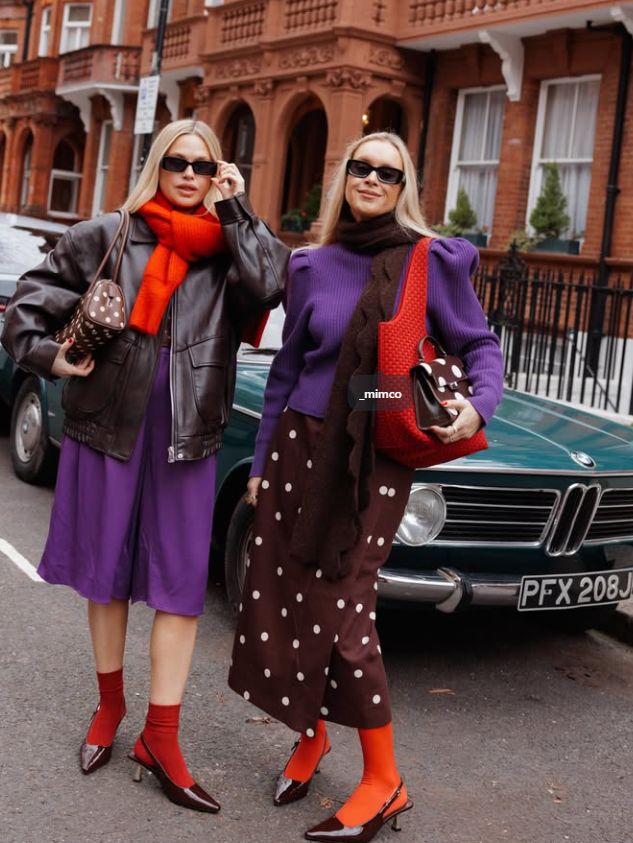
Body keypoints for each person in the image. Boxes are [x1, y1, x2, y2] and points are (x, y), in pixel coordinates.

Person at [2, 119, 288, 812]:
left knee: (179, 586)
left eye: (203, 165)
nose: (188, 174)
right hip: (106, 427)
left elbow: (271, 284)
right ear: (156, 166)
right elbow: (26, 307)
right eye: (176, 162)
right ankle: (110, 706)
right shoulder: (108, 234)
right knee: (105, 575)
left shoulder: (230, 249)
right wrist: (53, 358)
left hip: (188, 436)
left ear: (218, 174)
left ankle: (161, 736)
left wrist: (237, 207)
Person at [228, 131, 504, 842]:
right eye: (361, 167)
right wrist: (258, 465)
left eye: (388, 171)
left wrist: (479, 404)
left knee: (343, 609)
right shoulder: (311, 265)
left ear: (403, 185)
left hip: (371, 459)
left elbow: (479, 344)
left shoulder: (427, 260)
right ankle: (311, 734)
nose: (372, 179)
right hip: (297, 447)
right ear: (344, 177)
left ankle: (385, 780)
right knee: (284, 595)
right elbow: (286, 371)